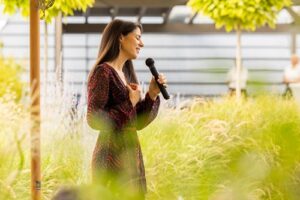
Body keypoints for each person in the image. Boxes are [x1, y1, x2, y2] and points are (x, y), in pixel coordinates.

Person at [86, 19, 167, 199]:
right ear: (121, 37)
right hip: (111, 160)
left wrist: (152, 95)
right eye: (138, 37)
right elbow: (93, 118)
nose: (142, 43)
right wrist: (128, 103)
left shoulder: (126, 75)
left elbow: (136, 123)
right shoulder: (103, 72)